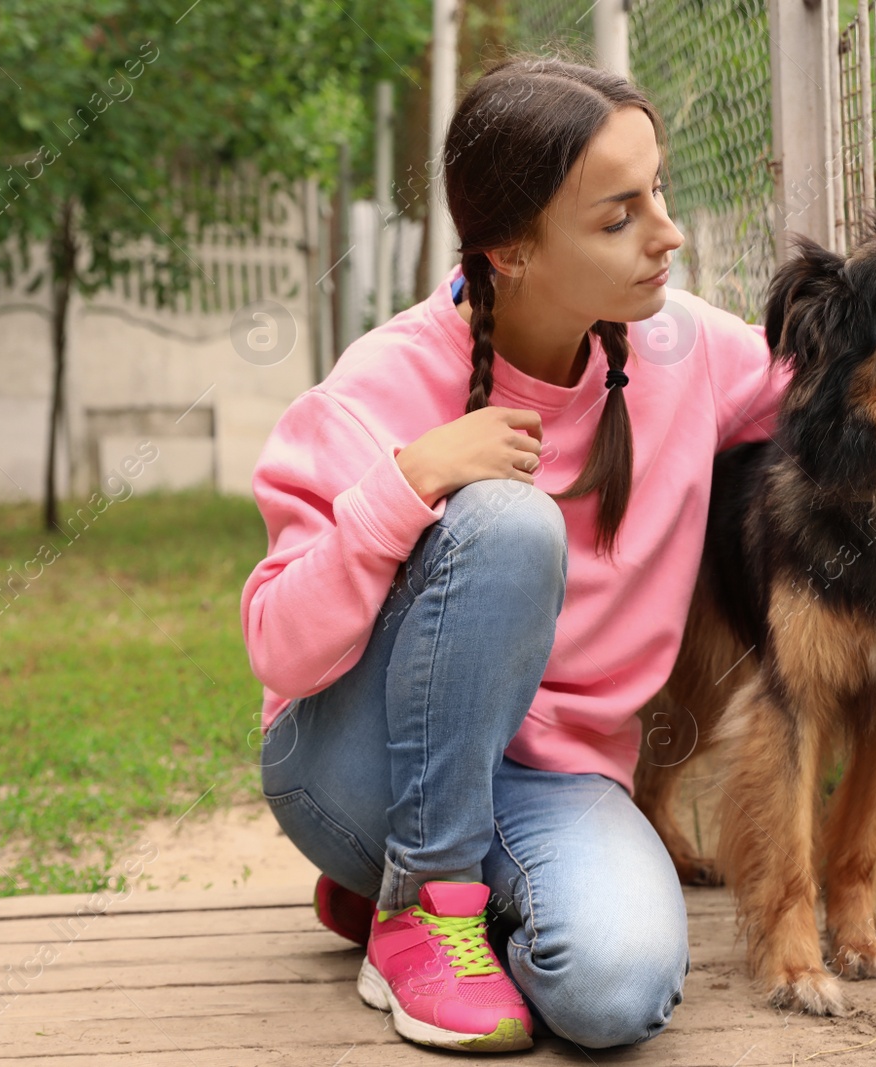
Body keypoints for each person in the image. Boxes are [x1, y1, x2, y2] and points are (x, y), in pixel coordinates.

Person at [239, 54, 788, 1053]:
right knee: (506, 521)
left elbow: (816, 378)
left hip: (556, 780)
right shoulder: (383, 383)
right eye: (617, 216)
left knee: (618, 989)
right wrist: (406, 485)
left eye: (655, 190)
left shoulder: (683, 351)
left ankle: (409, 884)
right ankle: (422, 902)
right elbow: (278, 646)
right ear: (510, 250)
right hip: (354, 765)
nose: (667, 233)